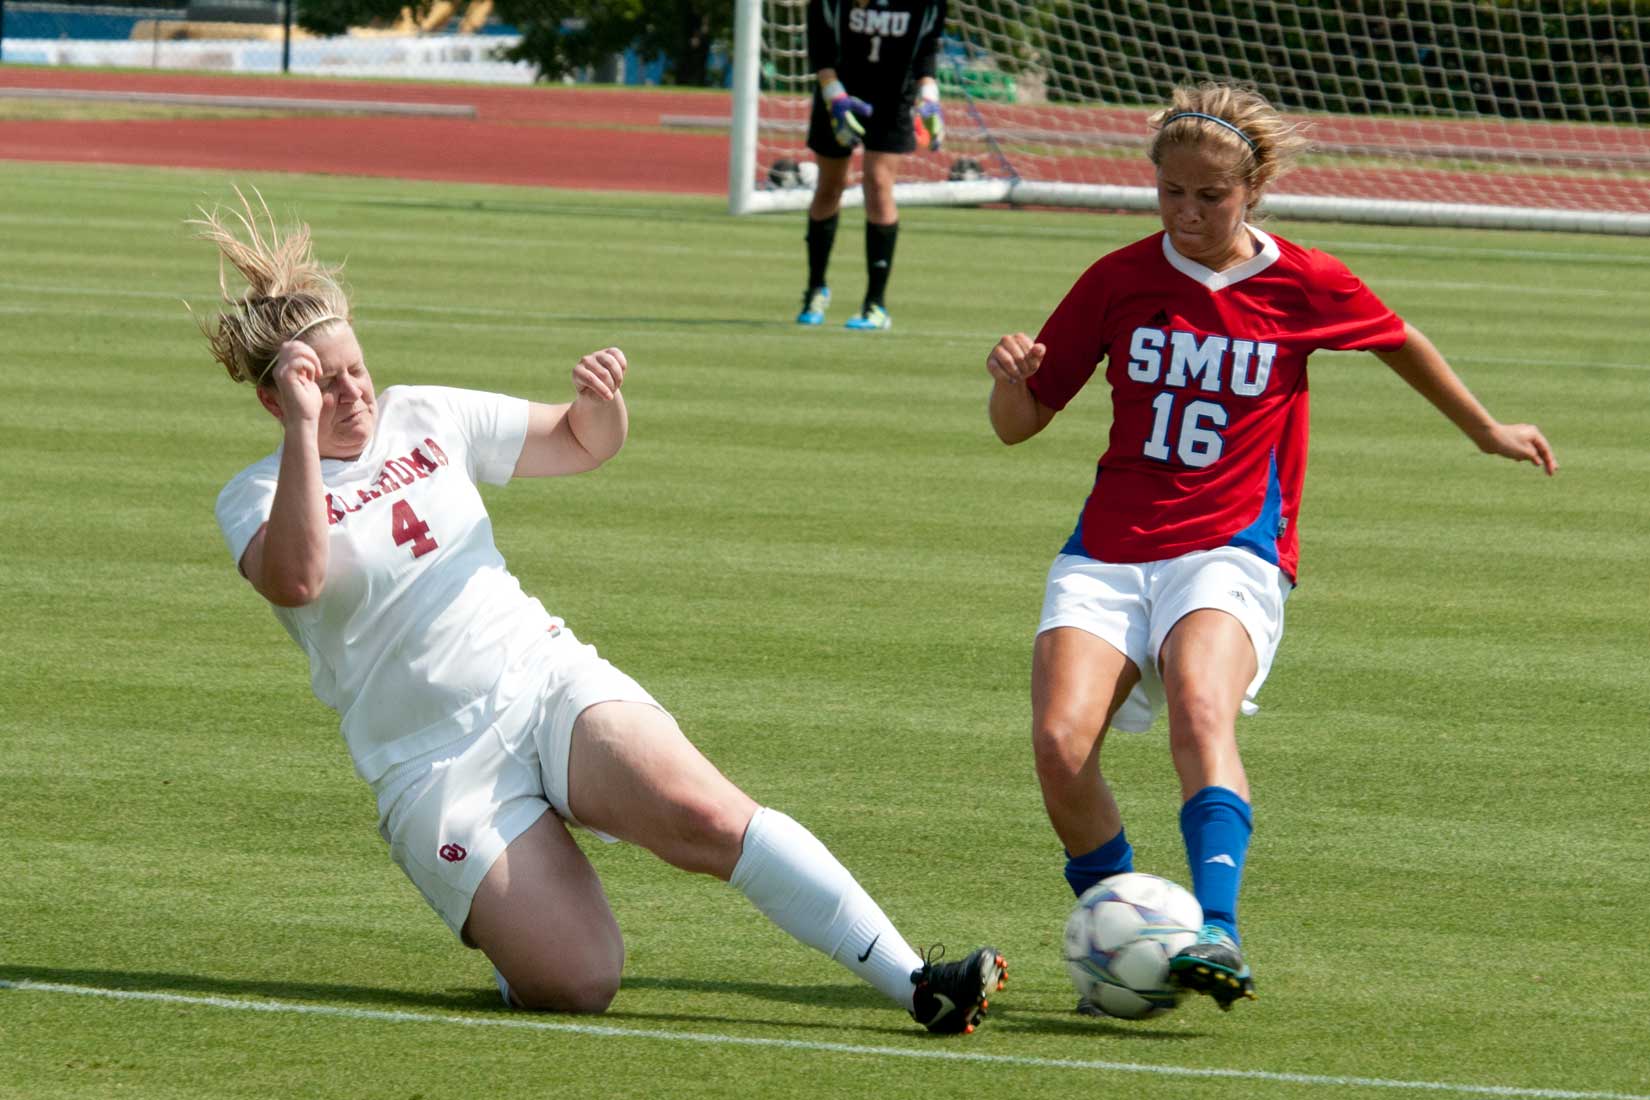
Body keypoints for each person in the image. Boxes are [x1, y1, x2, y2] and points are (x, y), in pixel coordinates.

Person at [195, 190, 1005, 1032]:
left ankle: (918, 980)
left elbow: (582, 443)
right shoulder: (255, 494)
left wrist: (599, 404)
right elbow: (296, 580)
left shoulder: (425, 412)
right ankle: (515, 928)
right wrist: (304, 432)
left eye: (355, 369)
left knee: (707, 815)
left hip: (540, 680)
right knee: (583, 982)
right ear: (275, 402)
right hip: (434, 767)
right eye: (323, 385)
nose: (353, 392)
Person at [983, 82, 1557, 1013]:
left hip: (1231, 545)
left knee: (1201, 708)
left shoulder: (1304, 280)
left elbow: (1399, 338)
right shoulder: (1116, 279)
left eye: (1210, 196)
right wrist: (1009, 381)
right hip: (1109, 547)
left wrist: (1485, 429)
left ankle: (1216, 930)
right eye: (1171, 192)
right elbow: (1020, 424)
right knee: (1058, 744)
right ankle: (1130, 930)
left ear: (1253, 191)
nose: (1188, 212)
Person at [796, 0, 948, 331]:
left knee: (878, 185)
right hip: (838, 92)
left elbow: (926, 50)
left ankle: (875, 304)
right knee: (830, 186)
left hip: (893, 97)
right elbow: (820, 46)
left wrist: (929, 96)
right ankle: (816, 288)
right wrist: (834, 95)